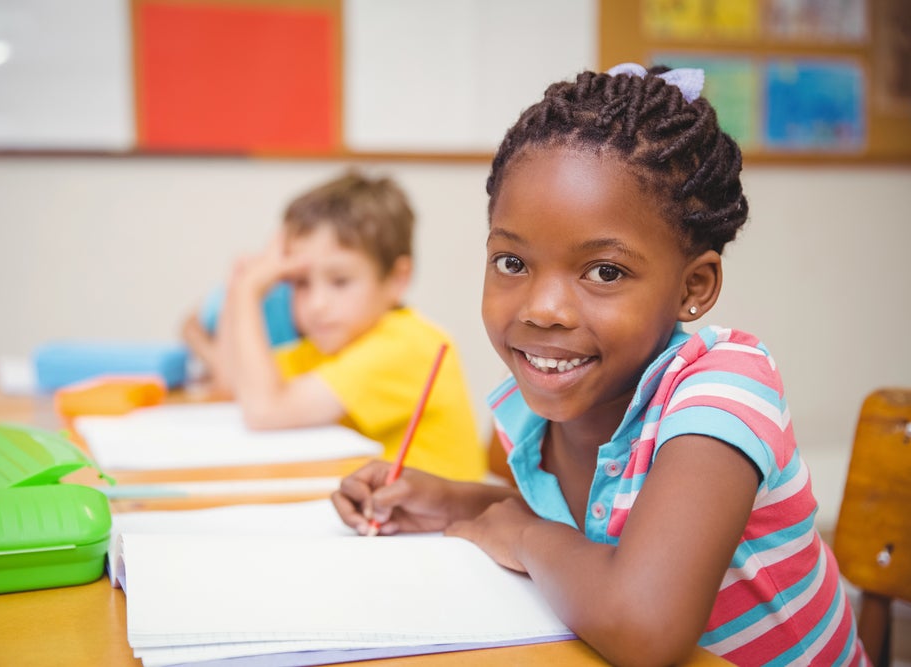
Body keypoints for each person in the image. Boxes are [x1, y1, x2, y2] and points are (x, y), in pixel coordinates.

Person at [331, 64, 868, 666]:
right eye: (512, 262)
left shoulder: (724, 389)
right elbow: (584, 541)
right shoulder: (550, 410)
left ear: (695, 284)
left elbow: (644, 628)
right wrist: (458, 505)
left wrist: (523, 534)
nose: (543, 309)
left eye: (605, 272)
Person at [209, 169, 486, 482]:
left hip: (439, 529)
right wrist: (237, 292)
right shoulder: (330, 347)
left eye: (340, 281)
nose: (317, 304)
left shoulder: (407, 345)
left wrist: (249, 292)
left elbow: (264, 410)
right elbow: (232, 383)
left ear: (397, 279)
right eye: (300, 283)